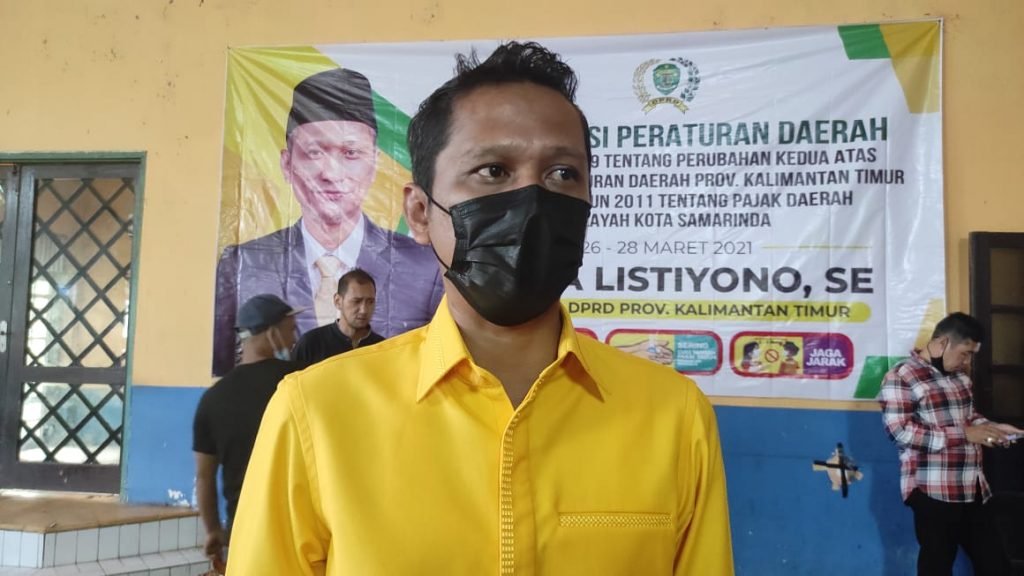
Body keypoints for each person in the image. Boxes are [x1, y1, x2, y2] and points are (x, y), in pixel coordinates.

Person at [226, 41, 734, 575]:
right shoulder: (317, 413)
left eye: (563, 174)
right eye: (493, 171)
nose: (532, 202)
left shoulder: (673, 417)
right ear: (419, 212)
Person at [211, 67, 444, 376]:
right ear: (287, 164)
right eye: (314, 152)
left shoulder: (426, 268)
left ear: (374, 163)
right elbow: (224, 373)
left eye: (351, 152)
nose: (331, 173)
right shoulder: (243, 265)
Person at [880, 312, 1023, 575]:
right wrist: (966, 434)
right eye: (964, 353)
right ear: (942, 342)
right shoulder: (902, 376)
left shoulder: (960, 378)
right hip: (933, 490)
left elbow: (969, 418)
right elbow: (900, 432)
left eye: (971, 355)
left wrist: (991, 429)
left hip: (973, 487)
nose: (967, 362)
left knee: (996, 565)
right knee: (936, 567)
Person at [193, 294, 300, 569]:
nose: (294, 339)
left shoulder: (212, 399)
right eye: (291, 330)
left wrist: (213, 530)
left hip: (243, 530)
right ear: (273, 333)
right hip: (298, 527)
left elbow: (204, 477)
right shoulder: (298, 383)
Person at [292, 268, 384, 369]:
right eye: (356, 301)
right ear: (338, 301)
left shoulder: (383, 348)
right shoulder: (310, 344)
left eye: (370, 302)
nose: (364, 310)